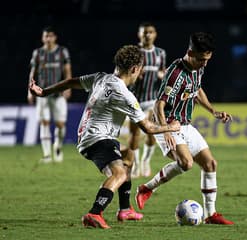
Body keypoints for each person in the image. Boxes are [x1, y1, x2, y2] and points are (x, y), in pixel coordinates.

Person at [29, 45, 180, 229]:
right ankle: (94, 213)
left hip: (89, 136)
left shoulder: (100, 77)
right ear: (134, 69)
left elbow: (70, 82)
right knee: (120, 173)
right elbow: (148, 127)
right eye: (139, 71)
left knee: (129, 156)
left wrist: (44, 92)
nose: (139, 75)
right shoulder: (125, 95)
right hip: (98, 139)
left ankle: (125, 209)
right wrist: (170, 127)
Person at [135, 32, 234, 225]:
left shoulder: (198, 67)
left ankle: (210, 214)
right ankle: (147, 188)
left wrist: (213, 111)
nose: (204, 64)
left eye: (207, 59)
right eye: (201, 59)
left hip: (185, 124)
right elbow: (158, 105)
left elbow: (197, 89)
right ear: (190, 52)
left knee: (210, 164)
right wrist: (165, 130)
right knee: (186, 163)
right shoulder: (175, 73)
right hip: (168, 123)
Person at [27, 26, 72, 163]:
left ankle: (57, 146)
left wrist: (68, 87)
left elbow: (67, 70)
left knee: (60, 124)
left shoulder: (62, 52)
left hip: (58, 93)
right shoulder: (38, 53)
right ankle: (46, 155)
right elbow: (32, 73)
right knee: (44, 122)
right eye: (46, 36)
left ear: (55, 37)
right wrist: (30, 91)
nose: (48, 39)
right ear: (42, 38)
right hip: (42, 93)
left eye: (50, 36)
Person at [129, 22, 167, 178]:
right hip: (134, 100)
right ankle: (136, 165)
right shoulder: (134, 52)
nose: (147, 35)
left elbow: (163, 73)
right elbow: (127, 76)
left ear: (155, 34)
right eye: (144, 32)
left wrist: (162, 75)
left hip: (152, 99)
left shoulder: (160, 53)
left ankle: (145, 161)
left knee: (151, 133)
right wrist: (136, 75)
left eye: (150, 32)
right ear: (139, 34)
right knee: (135, 134)